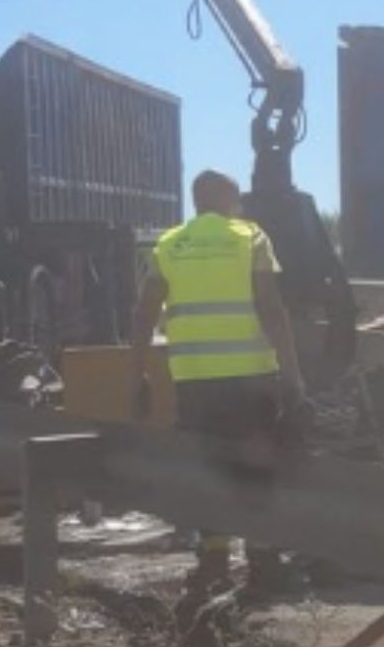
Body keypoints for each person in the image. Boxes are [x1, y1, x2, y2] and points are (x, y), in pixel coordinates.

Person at [130, 169, 305, 606]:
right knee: (257, 466)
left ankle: (213, 563)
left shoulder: (170, 243)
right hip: (250, 375)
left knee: (208, 467)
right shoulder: (250, 237)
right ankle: (263, 563)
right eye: (237, 201)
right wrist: (292, 372)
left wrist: (138, 374)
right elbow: (271, 306)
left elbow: (144, 312)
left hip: (194, 378)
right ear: (228, 200)